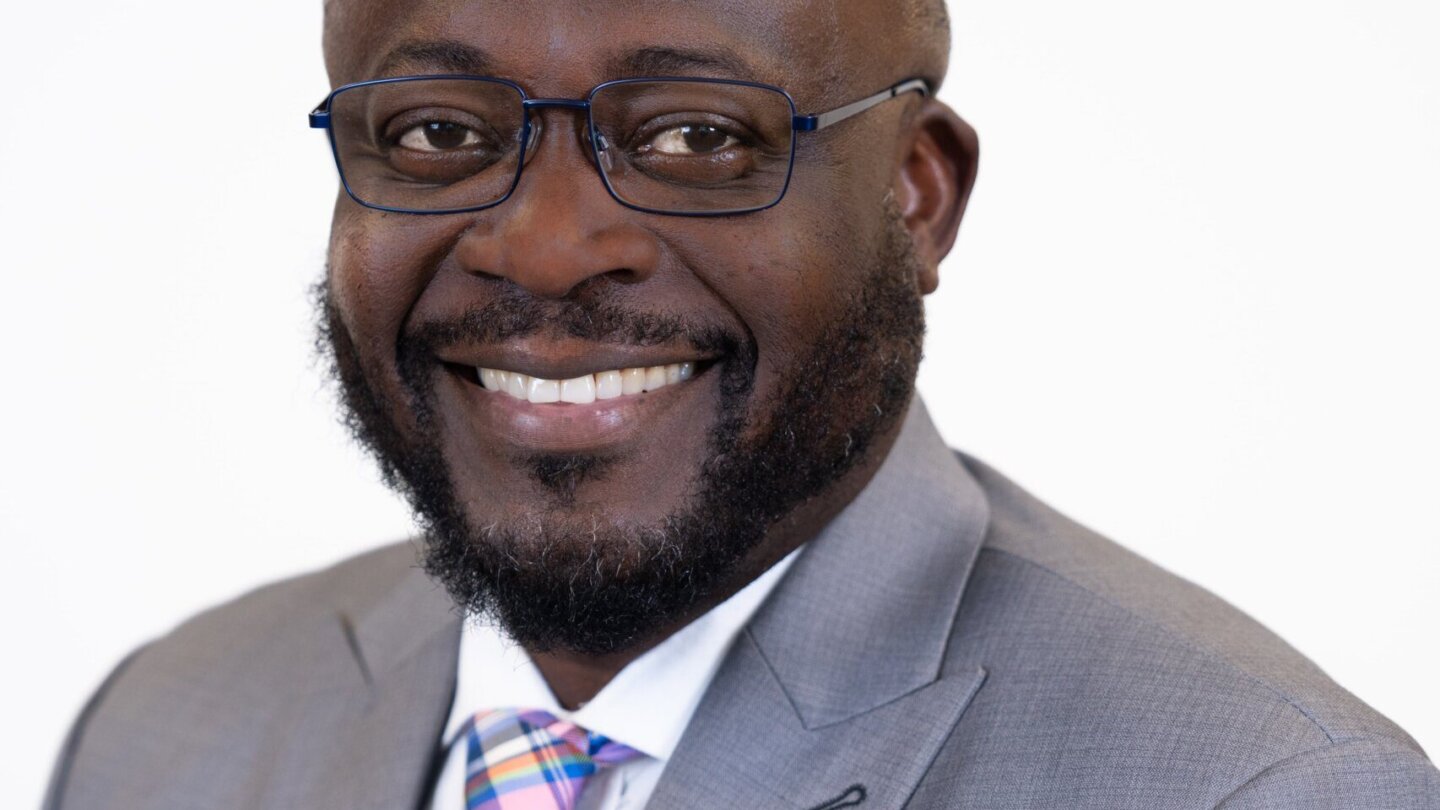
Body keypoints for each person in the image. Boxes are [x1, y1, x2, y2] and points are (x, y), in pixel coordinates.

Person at [44, 0, 1439, 808]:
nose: (545, 248)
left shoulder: (1261, 788)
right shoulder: (167, 728)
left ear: (917, 198)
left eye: (699, 136)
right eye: (438, 132)